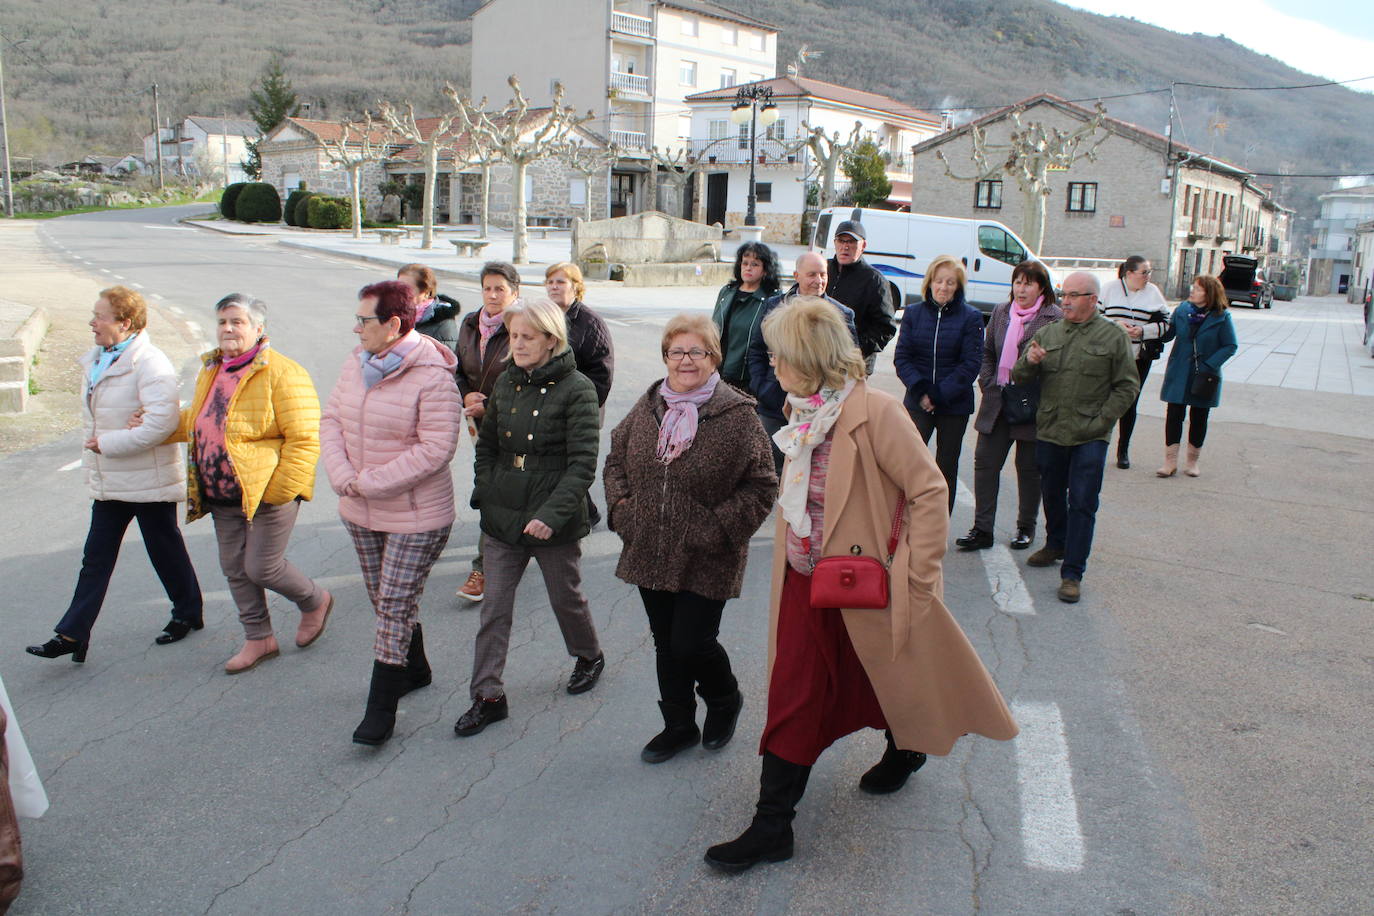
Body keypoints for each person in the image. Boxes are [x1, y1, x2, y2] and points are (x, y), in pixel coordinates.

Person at [704, 297, 1018, 873]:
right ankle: (773, 825)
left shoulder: (876, 413)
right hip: (809, 582)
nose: (771, 366)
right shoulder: (800, 413)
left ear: (813, 359)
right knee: (794, 690)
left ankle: (907, 747)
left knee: (885, 673)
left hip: (870, 584)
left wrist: (916, 577)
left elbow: (929, 492)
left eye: (780, 356)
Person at [603, 314, 776, 764]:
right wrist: (623, 512)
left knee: (691, 643)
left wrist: (716, 528)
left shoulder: (737, 415)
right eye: (676, 351)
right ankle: (678, 725)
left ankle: (724, 700)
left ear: (713, 357)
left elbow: (762, 485)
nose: (685, 360)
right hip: (650, 546)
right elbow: (616, 459)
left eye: (696, 351)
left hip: (708, 552)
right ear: (665, 356)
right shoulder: (648, 406)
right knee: (666, 643)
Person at [26, 287, 203, 663]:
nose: (92, 322)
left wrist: (108, 443)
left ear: (125, 323)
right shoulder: (96, 359)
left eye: (100, 316)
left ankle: (187, 612)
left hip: (146, 479)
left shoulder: (150, 363)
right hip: (111, 480)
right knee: (96, 558)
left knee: (164, 550)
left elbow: (161, 424)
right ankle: (73, 634)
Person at [454, 298, 605, 738]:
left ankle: (588, 654)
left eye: (526, 337)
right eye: (513, 336)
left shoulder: (577, 389)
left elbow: (582, 464)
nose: (516, 344)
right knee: (495, 611)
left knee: (567, 599)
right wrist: (486, 488)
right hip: (503, 516)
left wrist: (550, 516)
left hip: (550, 518)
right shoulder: (505, 383)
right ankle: (487, 697)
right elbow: (487, 446)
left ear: (551, 340)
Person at [321, 280, 462, 745]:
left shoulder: (433, 375)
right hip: (359, 507)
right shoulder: (355, 362)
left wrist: (368, 483)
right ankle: (414, 669)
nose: (355, 328)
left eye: (364, 320)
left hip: (417, 515)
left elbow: (437, 448)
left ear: (394, 325)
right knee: (384, 600)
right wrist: (342, 474)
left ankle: (380, 709)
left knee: (394, 605)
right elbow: (332, 420)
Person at [167, 293, 332, 673]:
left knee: (261, 566)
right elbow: (202, 416)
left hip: (267, 494)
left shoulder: (283, 371)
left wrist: (280, 490)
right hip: (222, 493)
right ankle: (259, 638)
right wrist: (158, 427)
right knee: (234, 567)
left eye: (237, 322)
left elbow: (305, 437)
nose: (227, 329)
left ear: (259, 329)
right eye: (223, 322)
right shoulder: (214, 368)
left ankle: (314, 600)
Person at [1014, 272, 1140, 604]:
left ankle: (1072, 572)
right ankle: (1056, 543)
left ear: (1092, 300)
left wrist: (1102, 420)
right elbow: (1019, 375)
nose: (1065, 301)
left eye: (1073, 295)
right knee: (1052, 493)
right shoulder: (1048, 332)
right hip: (1052, 429)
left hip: (1090, 434)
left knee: (1082, 502)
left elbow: (1128, 386)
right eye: (1063, 294)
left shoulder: (1113, 336)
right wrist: (1029, 361)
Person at [959, 261, 1063, 551]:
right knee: (985, 463)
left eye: (1028, 283)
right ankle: (982, 529)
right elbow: (987, 352)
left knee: (1029, 469)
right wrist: (989, 382)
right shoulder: (1002, 312)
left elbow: (1057, 364)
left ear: (1041, 287)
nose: (1021, 288)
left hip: (1032, 404)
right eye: (1017, 282)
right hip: (999, 400)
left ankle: (1025, 528)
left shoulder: (1054, 318)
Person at [746, 252, 857, 473]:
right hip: (774, 405)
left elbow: (850, 362)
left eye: (823, 274)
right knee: (768, 470)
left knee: (806, 470)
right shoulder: (773, 305)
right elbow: (756, 349)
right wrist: (761, 387)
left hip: (819, 412)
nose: (819, 280)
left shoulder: (841, 314)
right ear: (797, 276)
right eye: (812, 274)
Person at [892, 255, 984, 513]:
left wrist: (939, 395)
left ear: (959, 287)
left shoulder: (971, 318)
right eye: (939, 281)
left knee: (946, 468)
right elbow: (902, 358)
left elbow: (970, 363)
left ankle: (938, 525)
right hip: (917, 401)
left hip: (953, 405)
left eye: (950, 283)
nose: (943, 287)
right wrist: (921, 390)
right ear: (929, 282)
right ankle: (908, 518)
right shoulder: (913, 313)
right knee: (910, 463)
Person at [454, 261, 518, 603]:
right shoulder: (469, 324)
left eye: (500, 289)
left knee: (492, 492)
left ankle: (483, 568)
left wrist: (489, 402)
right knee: (504, 492)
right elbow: (458, 367)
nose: (492, 295)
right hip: (479, 425)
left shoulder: (522, 328)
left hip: (514, 423)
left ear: (515, 293)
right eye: (487, 288)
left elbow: (528, 379)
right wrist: (465, 393)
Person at [545, 261, 615, 527]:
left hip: (582, 405)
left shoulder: (589, 322)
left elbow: (602, 371)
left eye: (560, 282)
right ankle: (584, 511)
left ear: (576, 287)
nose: (554, 286)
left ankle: (584, 513)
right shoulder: (545, 317)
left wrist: (582, 405)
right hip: (550, 404)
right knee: (558, 460)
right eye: (550, 281)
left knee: (571, 461)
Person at [1156, 275, 1238, 479]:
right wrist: (1159, 323)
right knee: (1174, 414)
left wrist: (1209, 364)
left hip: (1205, 374)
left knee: (1199, 417)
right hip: (1180, 371)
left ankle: (1192, 462)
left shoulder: (1222, 316)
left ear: (1210, 294)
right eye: (1194, 288)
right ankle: (1170, 462)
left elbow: (1230, 345)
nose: (1192, 291)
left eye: (1198, 289)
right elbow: (1168, 335)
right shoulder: (1182, 310)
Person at [1099, 256, 1169, 468]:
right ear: (1129, 273)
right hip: (1111, 356)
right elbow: (1094, 315)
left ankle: (1123, 450)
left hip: (1139, 357)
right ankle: (1099, 446)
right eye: (1144, 272)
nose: (1148, 277)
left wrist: (1143, 331)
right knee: (1105, 400)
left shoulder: (1153, 292)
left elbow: (1167, 323)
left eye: (1149, 272)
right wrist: (1116, 325)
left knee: (1130, 402)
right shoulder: (1109, 289)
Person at [825, 220, 896, 375]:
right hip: (818, 360)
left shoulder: (875, 280)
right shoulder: (823, 270)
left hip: (852, 367)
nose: (845, 246)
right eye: (841, 241)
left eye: (851, 242)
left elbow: (885, 328)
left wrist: (854, 350)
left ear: (863, 246)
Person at [711, 242, 781, 390]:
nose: (748, 268)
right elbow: (712, 329)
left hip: (749, 378)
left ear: (765, 270)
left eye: (755, 264)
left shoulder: (772, 299)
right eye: (745, 263)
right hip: (717, 372)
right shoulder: (727, 292)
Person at [396, 263, 462, 359]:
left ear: (426, 293)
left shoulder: (444, 323)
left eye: (407, 289)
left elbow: (446, 361)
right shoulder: (394, 316)